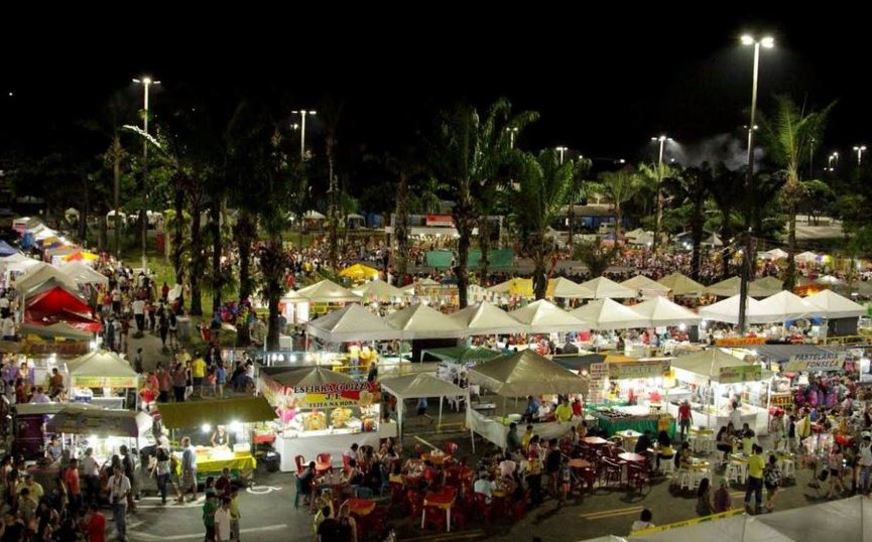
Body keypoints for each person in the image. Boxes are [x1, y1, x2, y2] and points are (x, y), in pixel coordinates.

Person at [108, 465, 131, 542]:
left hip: (122, 502)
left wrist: (121, 497)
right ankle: (119, 533)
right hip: (113, 501)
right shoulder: (111, 478)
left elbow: (128, 490)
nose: (115, 473)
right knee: (117, 519)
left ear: (120, 471)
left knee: (122, 519)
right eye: (114, 472)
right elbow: (108, 487)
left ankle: (123, 534)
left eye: (116, 472)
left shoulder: (125, 479)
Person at [744, 444, 765, 515]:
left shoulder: (751, 457)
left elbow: (748, 466)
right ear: (761, 452)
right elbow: (762, 468)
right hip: (758, 478)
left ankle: (746, 502)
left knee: (749, 490)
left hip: (751, 476)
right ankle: (758, 504)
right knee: (758, 491)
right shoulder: (760, 459)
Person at [180, 436, 198, 502]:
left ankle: (182, 497)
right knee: (194, 482)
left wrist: (185, 470)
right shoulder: (193, 448)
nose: (182, 444)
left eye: (183, 442)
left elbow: (187, 461)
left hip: (189, 468)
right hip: (194, 466)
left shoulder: (187, 450)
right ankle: (194, 496)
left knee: (184, 483)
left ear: (186, 442)